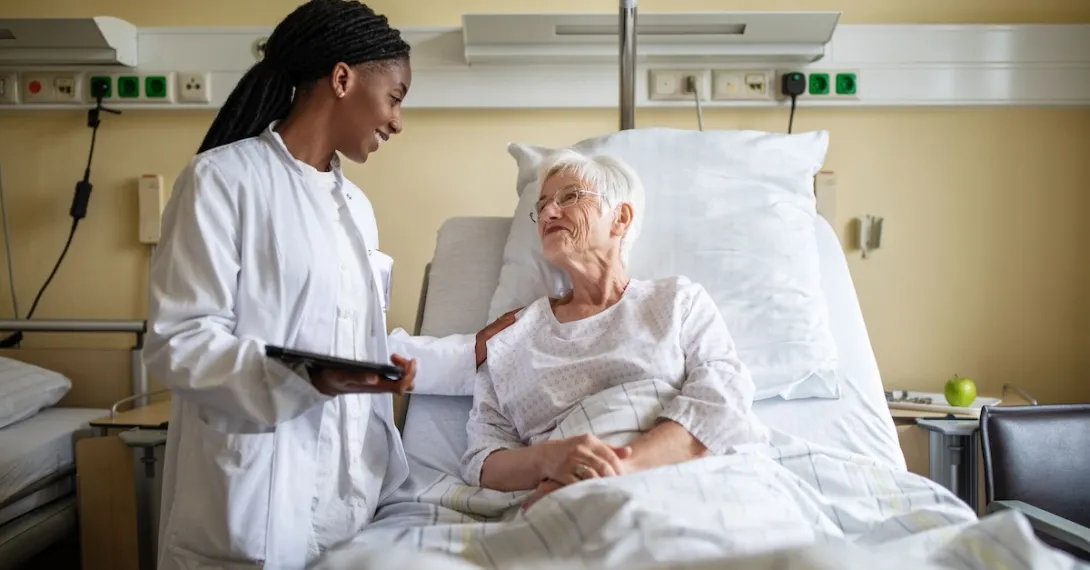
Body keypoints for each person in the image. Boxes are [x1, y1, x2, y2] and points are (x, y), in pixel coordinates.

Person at [142, 2, 515, 569]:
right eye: (395, 97)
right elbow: (182, 342)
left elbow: (349, 336)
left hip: (351, 502)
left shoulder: (356, 208)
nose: (397, 122)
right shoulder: (221, 181)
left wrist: (460, 353)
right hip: (255, 503)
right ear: (342, 79)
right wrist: (305, 376)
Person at [460, 149, 770, 509]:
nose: (547, 212)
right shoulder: (512, 337)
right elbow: (482, 459)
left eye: (569, 197)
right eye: (541, 205)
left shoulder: (676, 302)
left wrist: (614, 469)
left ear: (620, 218)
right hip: (564, 501)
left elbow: (723, 400)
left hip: (684, 482)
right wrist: (550, 460)